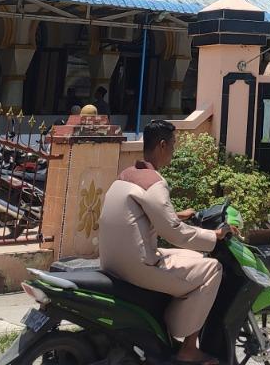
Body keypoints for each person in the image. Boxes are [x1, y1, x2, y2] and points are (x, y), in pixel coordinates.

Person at [99, 119, 228, 363]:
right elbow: (174, 233)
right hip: (138, 266)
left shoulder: (127, 175)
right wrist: (215, 236)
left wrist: (179, 214)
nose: (174, 150)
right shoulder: (155, 182)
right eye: (173, 144)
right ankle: (188, 348)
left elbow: (142, 214)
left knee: (194, 257)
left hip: (112, 261)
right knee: (213, 268)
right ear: (161, 145)